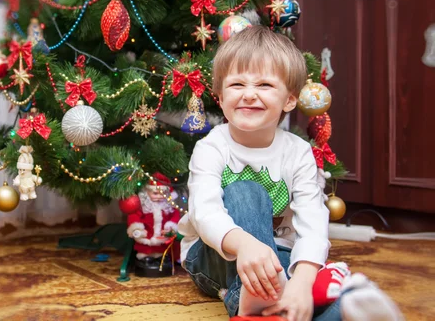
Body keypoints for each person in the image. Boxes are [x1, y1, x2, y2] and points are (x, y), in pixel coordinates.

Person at [178, 26, 402, 320]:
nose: (249, 95)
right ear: (219, 97)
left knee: (297, 279)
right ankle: (278, 296)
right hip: (215, 256)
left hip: (279, 257)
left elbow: (312, 221)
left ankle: (336, 307)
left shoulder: (299, 152)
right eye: (236, 85)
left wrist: (304, 279)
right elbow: (204, 214)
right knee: (246, 192)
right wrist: (245, 245)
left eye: (265, 85)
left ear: (289, 100)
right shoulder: (211, 147)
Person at [126, 172, 181, 276]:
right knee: (145, 252)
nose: (159, 197)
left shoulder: (168, 207)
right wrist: (137, 229)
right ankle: (146, 259)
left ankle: (161, 258)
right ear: (147, 192)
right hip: (147, 238)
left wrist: (171, 227)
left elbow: (175, 216)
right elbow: (134, 216)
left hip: (162, 240)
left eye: (163, 194)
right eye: (155, 193)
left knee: (163, 251)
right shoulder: (143, 206)